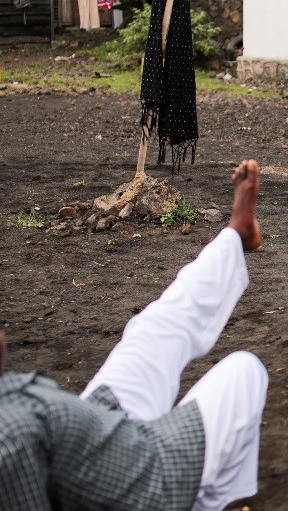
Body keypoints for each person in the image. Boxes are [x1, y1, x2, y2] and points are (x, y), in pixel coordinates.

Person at [0, 160, 269, 510]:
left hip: (95, 428)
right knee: (243, 372)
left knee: (151, 330)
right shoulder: (8, 443)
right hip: (139, 475)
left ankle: (236, 234)